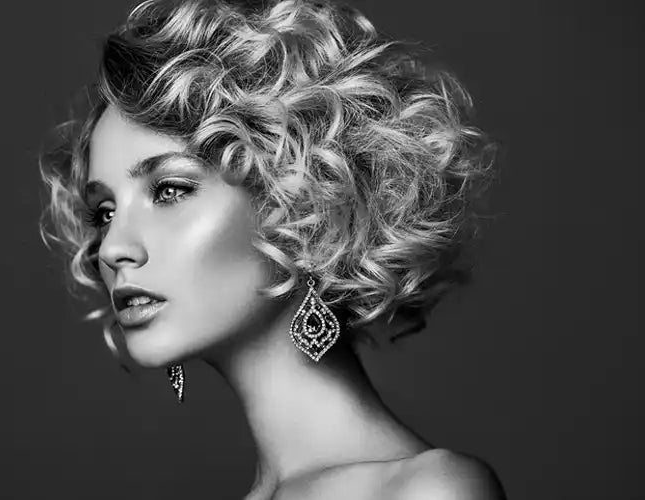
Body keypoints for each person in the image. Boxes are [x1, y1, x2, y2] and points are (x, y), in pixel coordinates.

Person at [37, 0, 503, 498]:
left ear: (301, 201)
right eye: (104, 212)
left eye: (169, 190)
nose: (112, 248)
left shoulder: (427, 491)